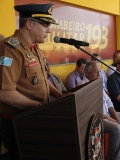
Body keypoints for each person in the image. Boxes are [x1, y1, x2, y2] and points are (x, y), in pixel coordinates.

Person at [0, 3, 62, 160]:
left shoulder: (35, 49)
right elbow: (5, 93)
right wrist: (40, 107)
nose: (49, 30)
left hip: (37, 118)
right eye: (45, 24)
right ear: (29, 24)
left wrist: (60, 96)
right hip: (19, 124)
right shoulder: (9, 49)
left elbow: (42, 80)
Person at [83, 61, 120, 159]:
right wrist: (108, 118)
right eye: (95, 72)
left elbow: (108, 100)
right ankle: (115, 157)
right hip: (98, 118)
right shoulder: (84, 87)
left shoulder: (97, 82)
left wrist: (114, 114)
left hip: (108, 114)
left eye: (99, 71)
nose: (98, 74)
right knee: (117, 128)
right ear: (87, 73)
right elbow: (91, 111)